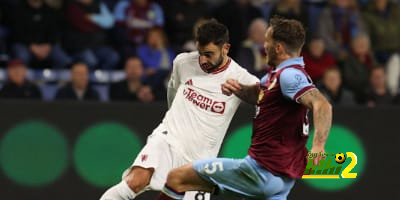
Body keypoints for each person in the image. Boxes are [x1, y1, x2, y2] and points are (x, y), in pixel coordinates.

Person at [155, 17, 332, 200]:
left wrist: (318, 145)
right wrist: (238, 89)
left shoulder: (289, 75)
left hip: (260, 172)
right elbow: (259, 96)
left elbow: (322, 104)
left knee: (178, 177)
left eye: (267, 41)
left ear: (278, 48)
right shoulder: (275, 77)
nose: (264, 46)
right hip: (281, 179)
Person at [100, 19, 259, 200]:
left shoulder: (240, 77)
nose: (203, 60)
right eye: (200, 53)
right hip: (169, 140)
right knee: (134, 181)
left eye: (209, 54)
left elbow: (265, 98)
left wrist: (242, 90)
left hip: (199, 161)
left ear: (226, 48)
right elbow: (173, 96)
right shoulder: (183, 62)